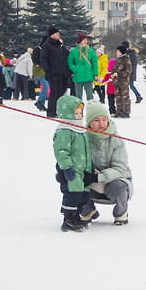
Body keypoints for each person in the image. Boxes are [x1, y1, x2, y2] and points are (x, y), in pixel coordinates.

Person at [79, 100, 133, 225]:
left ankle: (121, 213)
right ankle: (88, 210)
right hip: (92, 181)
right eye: (96, 120)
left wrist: (99, 177)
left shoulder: (116, 140)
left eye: (104, 119)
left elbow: (120, 168)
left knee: (118, 187)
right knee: (76, 182)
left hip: (115, 180)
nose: (101, 124)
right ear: (89, 122)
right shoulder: (83, 139)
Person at [52, 95, 94, 232]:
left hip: (83, 170)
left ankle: (76, 216)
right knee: (72, 194)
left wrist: (90, 166)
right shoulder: (64, 130)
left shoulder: (80, 130)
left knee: (83, 194)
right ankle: (68, 218)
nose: (78, 116)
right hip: (72, 171)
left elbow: (86, 150)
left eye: (80, 113)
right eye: (75, 113)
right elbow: (61, 151)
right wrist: (66, 167)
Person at [40, 26, 66, 118]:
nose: (58, 34)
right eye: (56, 33)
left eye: (58, 33)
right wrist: (47, 70)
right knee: (54, 93)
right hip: (52, 73)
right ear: (51, 35)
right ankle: (51, 112)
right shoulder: (47, 45)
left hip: (60, 72)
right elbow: (43, 58)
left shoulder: (58, 44)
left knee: (59, 93)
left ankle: (57, 110)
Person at [68, 33, 98, 101]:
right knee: (78, 95)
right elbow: (70, 62)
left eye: (86, 40)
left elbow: (95, 63)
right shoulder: (74, 51)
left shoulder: (91, 51)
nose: (86, 41)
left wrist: (95, 74)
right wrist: (75, 69)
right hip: (78, 75)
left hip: (88, 75)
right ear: (80, 40)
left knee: (90, 95)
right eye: (84, 39)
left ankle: (91, 109)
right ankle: (79, 110)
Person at [113, 45, 132, 118]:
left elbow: (128, 71)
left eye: (118, 51)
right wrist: (113, 74)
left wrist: (118, 74)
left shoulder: (126, 60)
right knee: (118, 96)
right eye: (117, 51)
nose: (117, 53)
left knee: (124, 97)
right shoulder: (117, 60)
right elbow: (113, 69)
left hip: (123, 82)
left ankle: (126, 111)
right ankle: (119, 111)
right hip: (117, 82)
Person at [33, 39, 49, 111]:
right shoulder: (38, 49)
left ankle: (41, 102)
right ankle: (39, 101)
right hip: (40, 70)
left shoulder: (44, 50)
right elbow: (36, 60)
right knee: (45, 86)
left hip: (43, 70)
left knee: (45, 87)